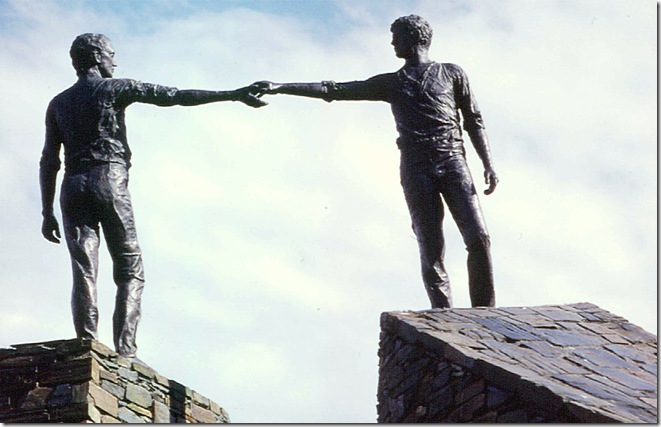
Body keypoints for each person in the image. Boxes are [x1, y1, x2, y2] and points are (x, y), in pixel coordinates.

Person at [39, 33, 266, 358]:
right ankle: (126, 351)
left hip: (73, 186)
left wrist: (46, 211)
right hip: (109, 179)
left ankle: (86, 342)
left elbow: (49, 160)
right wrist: (232, 94)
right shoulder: (115, 88)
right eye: (111, 54)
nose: (114, 62)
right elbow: (174, 96)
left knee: (84, 269)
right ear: (96, 56)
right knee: (130, 268)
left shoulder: (58, 103)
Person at [255, 15, 498, 308]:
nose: (392, 43)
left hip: (453, 161)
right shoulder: (392, 83)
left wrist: (487, 163)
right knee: (430, 244)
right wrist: (281, 86)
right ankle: (442, 313)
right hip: (416, 166)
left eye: (397, 36)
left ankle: (484, 313)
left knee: (479, 236)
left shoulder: (452, 73)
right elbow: (335, 90)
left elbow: (473, 119)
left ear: (415, 38)